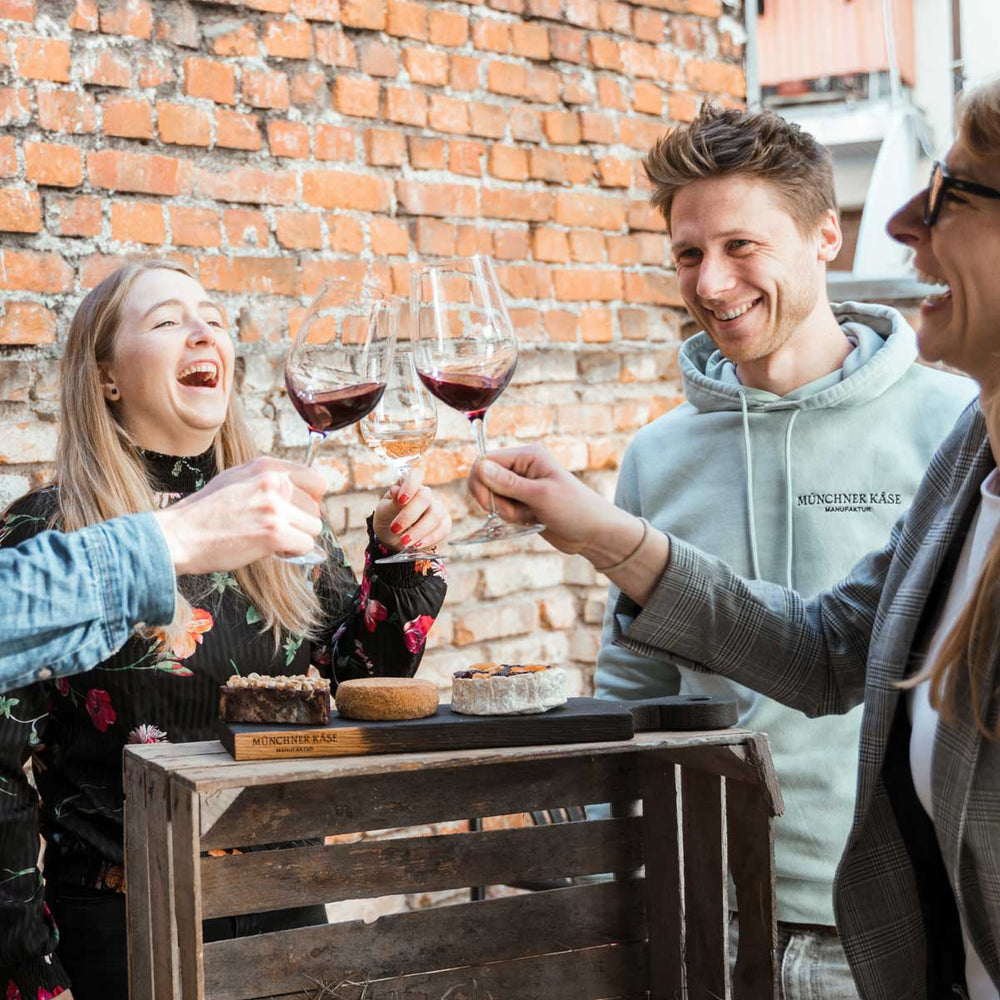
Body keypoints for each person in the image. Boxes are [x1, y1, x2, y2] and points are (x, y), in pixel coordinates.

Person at [470, 78, 1000, 1000]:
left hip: (882, 926)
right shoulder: (973, 457)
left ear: (822, 235)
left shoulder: (949, 417)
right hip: (714, 912)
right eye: (688, 254)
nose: (711, 283)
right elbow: (827, 648)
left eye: (741, 246)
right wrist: (606, 534)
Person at [0, 260, 450, 1000]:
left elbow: (354, 692)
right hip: (124, 933)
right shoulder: (50, 529)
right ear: (107, 376)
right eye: (168, 320)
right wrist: (30, 970)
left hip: (290, 915)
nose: (203, 329)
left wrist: (397, 558)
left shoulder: (276, 514)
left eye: (211, 315)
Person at [0, 458, 329, 693]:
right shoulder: (49, 520)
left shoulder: (280, 508)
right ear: (105, 376)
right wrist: (180, 534)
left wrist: (383, 558)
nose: (200, 353)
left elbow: (356, 670)